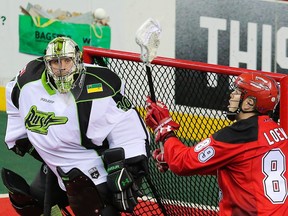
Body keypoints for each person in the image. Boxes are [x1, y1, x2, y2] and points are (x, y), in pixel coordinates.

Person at [3, 37, 150, 216]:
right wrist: (20, 136)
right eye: (55, 62)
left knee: (101, 211)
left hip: (89, 166)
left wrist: (130, 167)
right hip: (54, 166)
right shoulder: (29, 79)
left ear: (78, 59)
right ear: (46, 63)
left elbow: (128, 127)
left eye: (67, 60)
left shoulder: (101, 84)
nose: (62, 67)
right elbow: (12, 93)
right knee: (29, 204)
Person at [145, 72, 288, 215]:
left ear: (249, 103)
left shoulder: (237, 135)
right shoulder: (278, 132)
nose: (231, 95)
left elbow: (181, 163)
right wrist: (169, 156)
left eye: (237, 92)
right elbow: (242, 167)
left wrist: (165, 129)